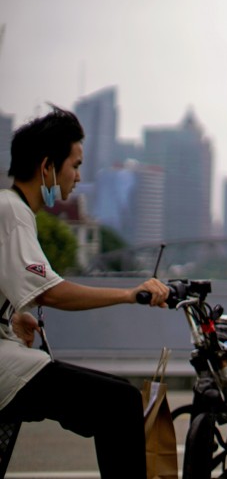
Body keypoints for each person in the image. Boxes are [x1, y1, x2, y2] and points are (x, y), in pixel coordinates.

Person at [0, 106, 170, 478]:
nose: (78, 177)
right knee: (119, 402)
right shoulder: (11, 212)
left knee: (116, 396)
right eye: (74, 165)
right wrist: (129, 295)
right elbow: (53, 293)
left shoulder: (14, 211)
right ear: (47, 167)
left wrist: (13, 317)